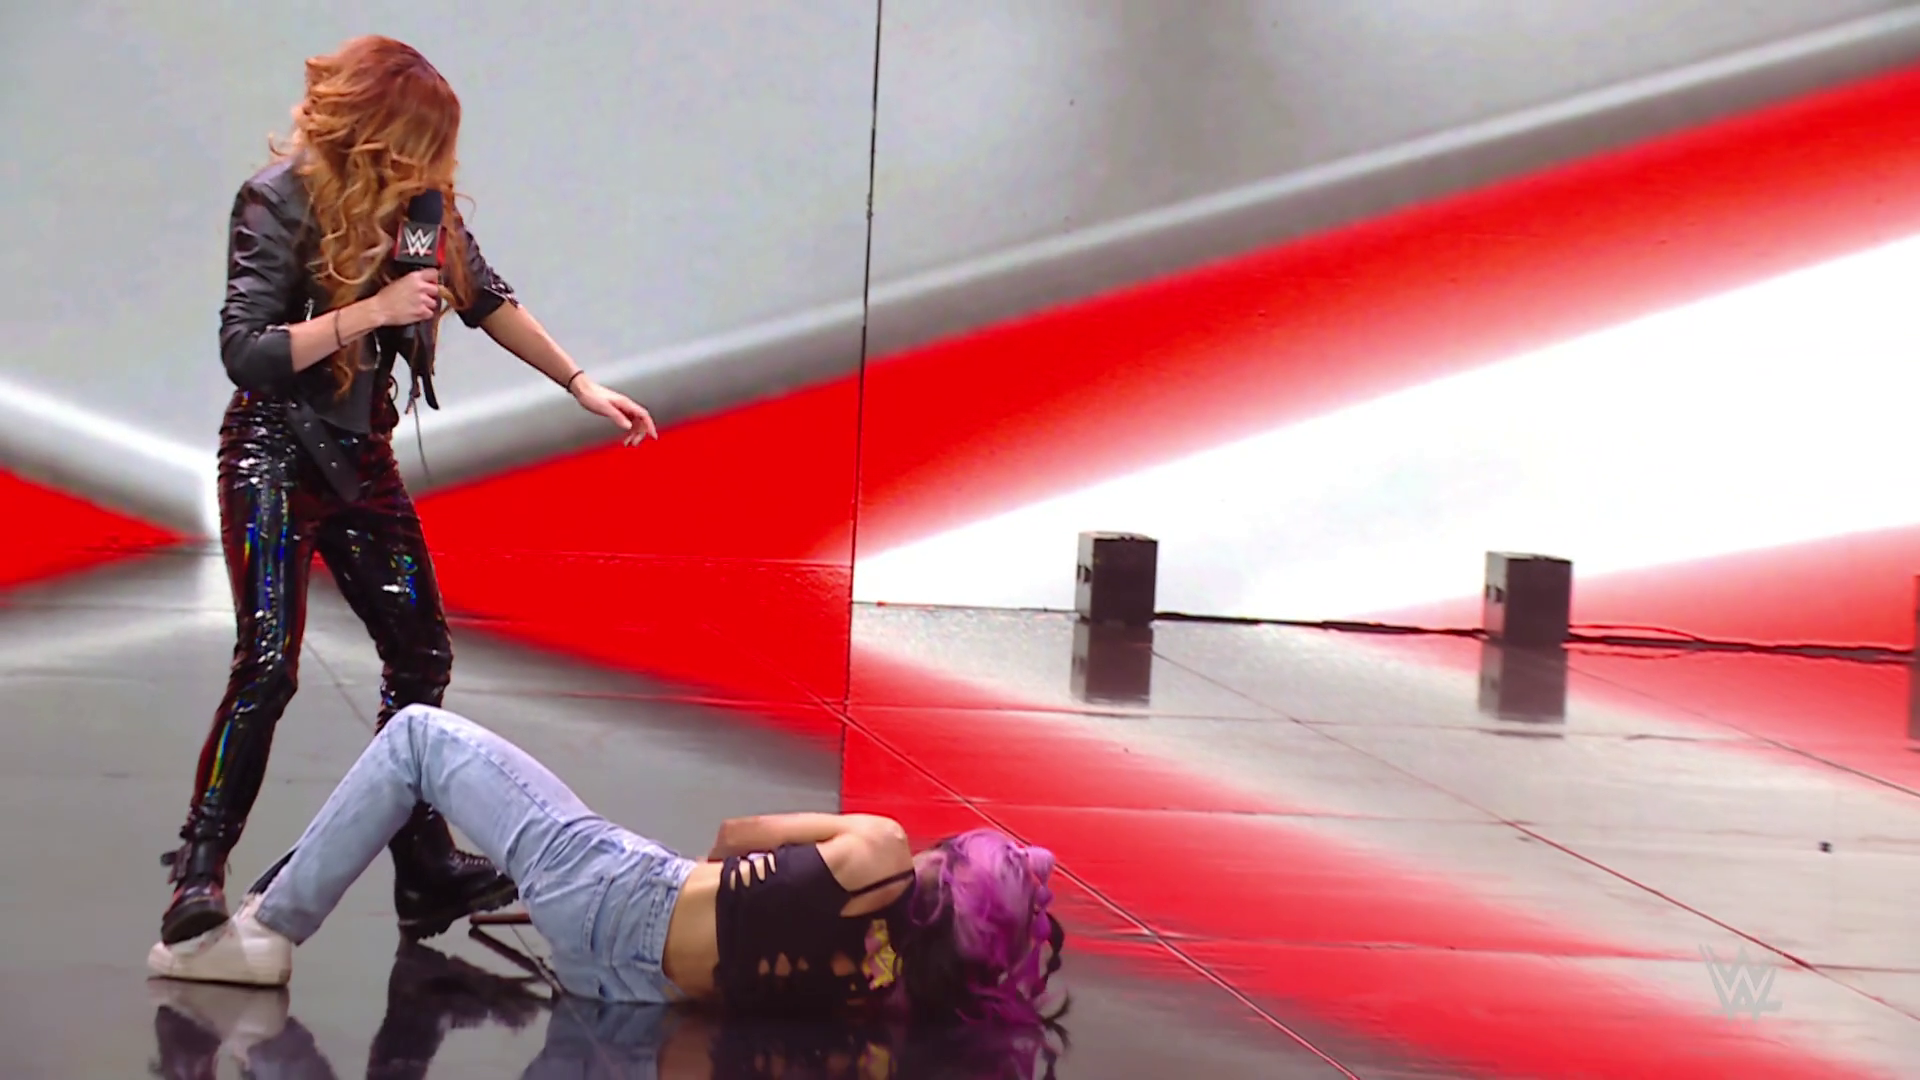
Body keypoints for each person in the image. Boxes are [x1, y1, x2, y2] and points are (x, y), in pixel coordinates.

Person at [161, 34, 658, 949]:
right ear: (379, 128)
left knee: (422, 656)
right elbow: (247, 351)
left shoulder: (418, 210)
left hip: (360, 457)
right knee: (268, 664)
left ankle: (422, 866)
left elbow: (481, 295)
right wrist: (370, 312)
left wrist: (580, 383)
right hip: (274, 450)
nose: (438, 162)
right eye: (424, 140)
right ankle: (199, 867)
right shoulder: (278, 198)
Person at [147, 705, 1069, 1028]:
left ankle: (268, 932)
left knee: (418, 737)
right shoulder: (885, 989)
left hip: (620, 890)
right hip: (628, 988)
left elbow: (736, 834)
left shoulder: (882, 850)